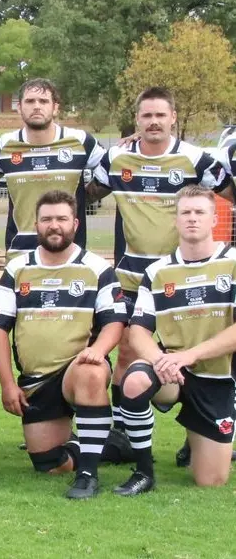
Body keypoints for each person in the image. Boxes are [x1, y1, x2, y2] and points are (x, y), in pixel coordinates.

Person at [88, 86, 229, 463]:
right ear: (137, 120)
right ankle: (122, 435)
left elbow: (229, 192)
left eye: (160, 115)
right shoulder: (117, 158)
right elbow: (85, 195)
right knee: (127, 353)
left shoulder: (195, 159)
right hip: (133, 275)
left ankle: (196, 432)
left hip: (186, 275)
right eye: (146, 115)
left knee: (201, 354)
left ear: (173, 119)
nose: (153, 122)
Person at [0, 190, 127, 499]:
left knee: (91, 372)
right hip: (37, 380)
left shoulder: (96, 267)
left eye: (61, 219)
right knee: (49, 463)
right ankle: (109, 444)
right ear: (36, 224)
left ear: (75, 223)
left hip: (78, 367)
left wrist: (98, 351)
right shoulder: (17, 269)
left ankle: (88, 475)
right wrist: (8, 385)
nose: (54, 225)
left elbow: (115, 321)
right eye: (47, 219)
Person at [113, 186, 236, 495]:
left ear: (214, 220)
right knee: (134, 381)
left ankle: (197, 438)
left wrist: (188, 355)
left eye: (199, 212)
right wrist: (159, 359)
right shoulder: (157, 272)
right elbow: (139, 331)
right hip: (173, 373)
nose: (192, 219)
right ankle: (144, 471)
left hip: (215, 377)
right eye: (185, 213)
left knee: (211, 480)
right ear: (176, 221)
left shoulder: (232, 263)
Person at [0, 79, 106, 261]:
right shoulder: (2, 146)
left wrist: (83, 198)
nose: (36, 106)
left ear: (55, 108)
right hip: (21, 253)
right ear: (19, 107)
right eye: (30, 101)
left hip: (70, 252)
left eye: (43, 101)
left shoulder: (80, 142)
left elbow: (114, 169)